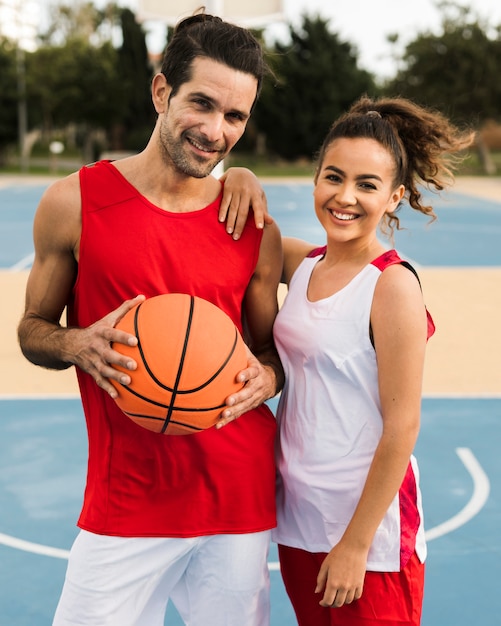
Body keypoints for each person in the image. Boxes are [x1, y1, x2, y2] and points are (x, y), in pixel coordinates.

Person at [17, 11, 283, 626]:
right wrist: (76, 343)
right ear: (162, 90)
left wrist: (269, 378)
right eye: (202, 104)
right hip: (127, 498)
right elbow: (33, 328)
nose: (216, 131)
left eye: (236, 116)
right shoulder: (74, 202)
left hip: (235, 499)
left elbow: (270, 356)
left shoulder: (251, 225)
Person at [270, 97, 474, 625]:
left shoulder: (392, 285)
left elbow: (402, 427)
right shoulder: (304, 262)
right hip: (300, 519)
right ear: (314, 179)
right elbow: (248, 237)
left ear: (394, 197)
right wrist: (242, 176)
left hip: (368, 537)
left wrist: (356, 545)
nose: (345, 197)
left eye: (367, 184)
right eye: (333, 177)